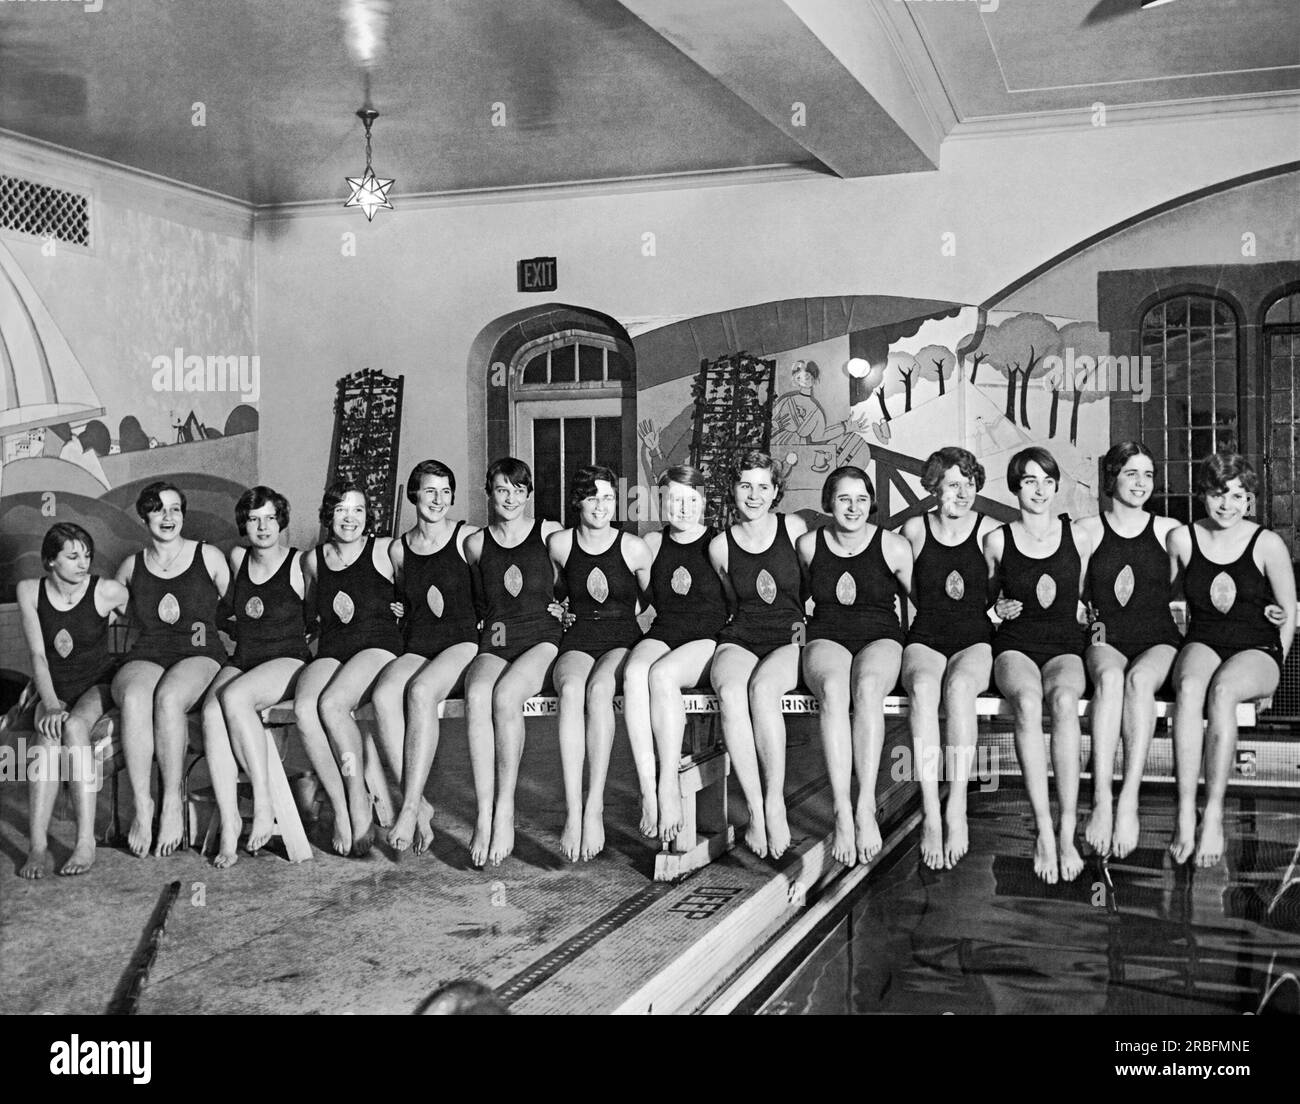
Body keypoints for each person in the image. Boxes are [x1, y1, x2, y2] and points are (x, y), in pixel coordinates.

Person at [1167, 452, 1296, 867]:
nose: (1228, 505)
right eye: (1219, 495)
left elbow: (1288, 614)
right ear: (1203, 495)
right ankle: (1186, 810)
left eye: (1239, 496)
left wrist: (1270, 682)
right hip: (1205, 639)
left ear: (1250, 500)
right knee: (1188, 688)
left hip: (1257, 648)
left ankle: (1215, 814)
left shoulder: (1268, 543)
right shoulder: (1183, 540)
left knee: (1222, 691)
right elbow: (1167, 601)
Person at [984, 448, 1090, 884]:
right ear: (1015, 487)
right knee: (1027, 702)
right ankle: (1043, 829)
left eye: (1047, 480)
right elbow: (983, 601)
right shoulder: (997, 539)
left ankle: (1068, 830)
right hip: (1015, 646)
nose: (1040, 489)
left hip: (1065, 643)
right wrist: (996, 609)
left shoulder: (1080, 536)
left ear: (1056, 486)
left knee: (1064, 701)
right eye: (1029, 481)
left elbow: (1090, 593)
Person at [799, 467, 911, 867]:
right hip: (826, 634)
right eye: (844, 499)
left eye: (861, 499)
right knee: (833, 690)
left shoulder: (895, 547)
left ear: (871, 503)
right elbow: (790, 601)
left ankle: (865, 807)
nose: (853, 507)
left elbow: (930, 606)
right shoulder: (809, 545)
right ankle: (841, 810)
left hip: (880, 635)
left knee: (865, 690)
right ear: (829, 502)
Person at [1074, 443, 1180, 861]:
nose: (1141, 483)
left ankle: (1129, 799)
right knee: (1112, 677)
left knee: (1138, 680)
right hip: (1103, 631)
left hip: (1159, 635)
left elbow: (1194, 582)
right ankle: (1101, 798)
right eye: (1131, 473)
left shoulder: (1169, 531)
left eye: (1148, 475)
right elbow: (1073, 593)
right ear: (1112, 478)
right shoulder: (1088, 529)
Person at [112, 482, 230, 857]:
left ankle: (172, 804)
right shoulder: (130, 566)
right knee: (133, 697)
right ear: (145, 515)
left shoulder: (208, 556)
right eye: (159, 509)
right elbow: (100, 613)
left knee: (168, 697)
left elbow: (242, 607)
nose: (168, 517)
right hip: (149, 653)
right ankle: (143, 804)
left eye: (175, 509)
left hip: (200, 654)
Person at [370, 461, 480, 854]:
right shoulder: (399, 549)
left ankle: (410, 805)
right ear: (414, 494)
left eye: (445, 491)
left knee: (419, 692)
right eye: (430, 491)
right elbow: (403, 595)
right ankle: (420, 803)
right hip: (418, 643)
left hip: (462, 641)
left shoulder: (468, 538)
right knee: (384, 696)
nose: (438, 500)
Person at [200, 486, 310, 868]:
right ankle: (230, 822)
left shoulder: (299, 564)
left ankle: (263, 803)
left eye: (270, 517)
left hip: (288, 659)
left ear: (282, 520)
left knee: (234, 699)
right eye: (253, 518)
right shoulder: (236, 558)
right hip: (245, 656)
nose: (262, 526)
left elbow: (324, 614)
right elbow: (225, 608)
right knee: (211, 712)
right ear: (243, 524)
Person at [901, 447, 998, 870]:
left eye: (970, 483)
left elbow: (999, 589)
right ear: (935, 487)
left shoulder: (990, 531)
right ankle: (929, 810)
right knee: (924, 688)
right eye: (954, 483)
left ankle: (956, 804)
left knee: (959, 688)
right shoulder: (914, 530)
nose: (963, 492)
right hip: (926, 635)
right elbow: (910, 589)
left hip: (975, 637)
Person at [462, 458, 563, 867]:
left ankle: (505, 809)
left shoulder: (550, 534)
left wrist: (568, 607)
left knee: (505, 698)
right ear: (489, 492)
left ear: (528, 494)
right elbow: (474, 600)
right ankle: (484, 813)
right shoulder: (475, 544)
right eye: (502, 489)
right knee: (477, 694)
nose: (510, 497)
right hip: (499, 636)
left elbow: (577, 579)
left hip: (542, 637)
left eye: (518, 490)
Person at [709, 451, 809, 860]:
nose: (754, 495)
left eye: (763, 486)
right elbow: (733, 602)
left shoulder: (795, 529)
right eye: (745, 485)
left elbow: (809, 588)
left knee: (763, 689)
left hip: (790, 634)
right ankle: (752, 809)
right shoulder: (720, 546)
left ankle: (774, 802)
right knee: (732, 692)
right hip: (742, 634)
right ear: (733, 490)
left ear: (776, 491)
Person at [549, 466, 652, 861]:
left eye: (608, 497)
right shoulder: (559, 544)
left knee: (598, 691)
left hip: (621, 638)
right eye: (592, 497)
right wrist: (556, 611)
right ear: (578, 501)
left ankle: (595, 806)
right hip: (577, 638)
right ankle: (573, 811)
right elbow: (549, 593)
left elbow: (661, 603)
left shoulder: (633, 547)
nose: (600, 506)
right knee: (572, 689)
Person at [294, 480, 402, 857]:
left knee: (332, 705)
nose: (350, 518)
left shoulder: (386, 551)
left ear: (368, 515)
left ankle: (358, 799)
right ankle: (341, 806)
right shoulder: (313, 560)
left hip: (378, 646)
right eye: (341, 510)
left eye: (357, 509)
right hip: (334, 648)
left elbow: (422, 590)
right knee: (305, 708)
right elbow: (308, 614)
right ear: (329, 515)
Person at [622, 465, 729, 843]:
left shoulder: (719, 543)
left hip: (708, 638)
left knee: (661, 675)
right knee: (635, 672)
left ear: (704, 502)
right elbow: (637, 602)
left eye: (691, 500)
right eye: (674, 500)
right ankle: (647, 789)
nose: (682, 508)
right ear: (662, 503)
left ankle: (668, 782)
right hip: (666, 631)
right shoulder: (651, 543)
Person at [16, 523, 127, 877]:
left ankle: (84, 842)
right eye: (73, 556)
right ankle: (37, 847)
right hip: (53, 688)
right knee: (46, 739)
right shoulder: (29, 591)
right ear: (50, 560)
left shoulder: (106, 591)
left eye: (88, 556)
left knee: (76, 727)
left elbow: (149, 618)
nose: (84, 564)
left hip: (96, 685)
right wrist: (48, 703)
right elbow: (38, 655)